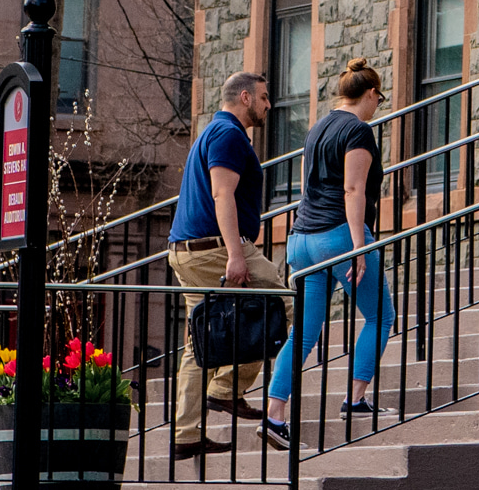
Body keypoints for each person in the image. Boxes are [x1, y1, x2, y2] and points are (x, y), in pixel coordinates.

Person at [271, 59, 394, 426]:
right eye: (379, 98)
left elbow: (309, 189)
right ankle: (355, 399)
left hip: (302, 239)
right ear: (370, 93)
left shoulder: (316, 129)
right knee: (380, 316)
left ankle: (275, 415)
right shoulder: (357, 131)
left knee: (304, 334)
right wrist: (359, 246)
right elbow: (353, 189)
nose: (377, 107)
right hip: (338, 236)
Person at [165, 68, 271, 461]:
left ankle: (186, 433)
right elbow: (222, 195)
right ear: (244, 98)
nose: (267, 104)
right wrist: (236, 254)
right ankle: (226, 390)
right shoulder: (228, 134)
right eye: (262, 97)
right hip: (212, 250)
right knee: (281, 304)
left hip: (187, 250)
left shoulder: (211, 132)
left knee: (198, 343)